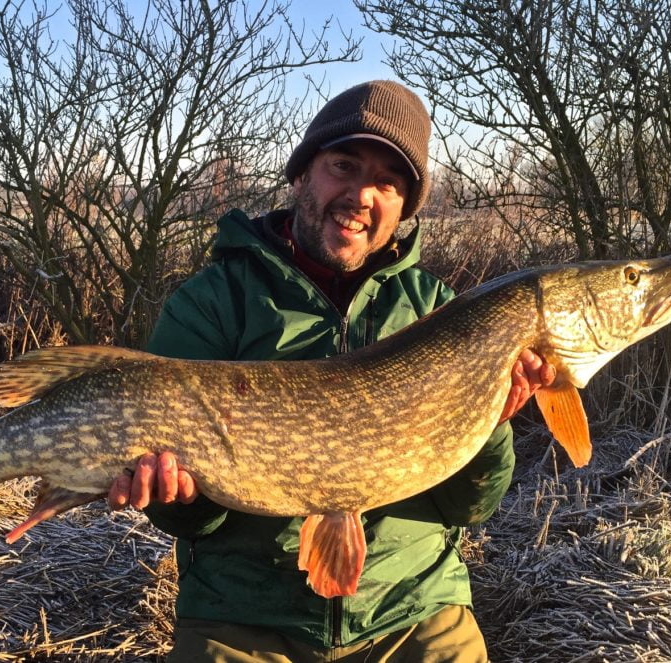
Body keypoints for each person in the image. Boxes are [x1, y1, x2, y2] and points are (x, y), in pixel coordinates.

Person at [107, 80, 554, 662]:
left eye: (388, 183)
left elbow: (468, 509)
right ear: (302, 175)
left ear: (403, 207)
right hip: (243, 613)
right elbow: (186, 520)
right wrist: (174, 493)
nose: (362, 194)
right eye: (344, 165)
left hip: (410, 606)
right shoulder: (214, 301)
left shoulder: (436, 311)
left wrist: (491, 420)